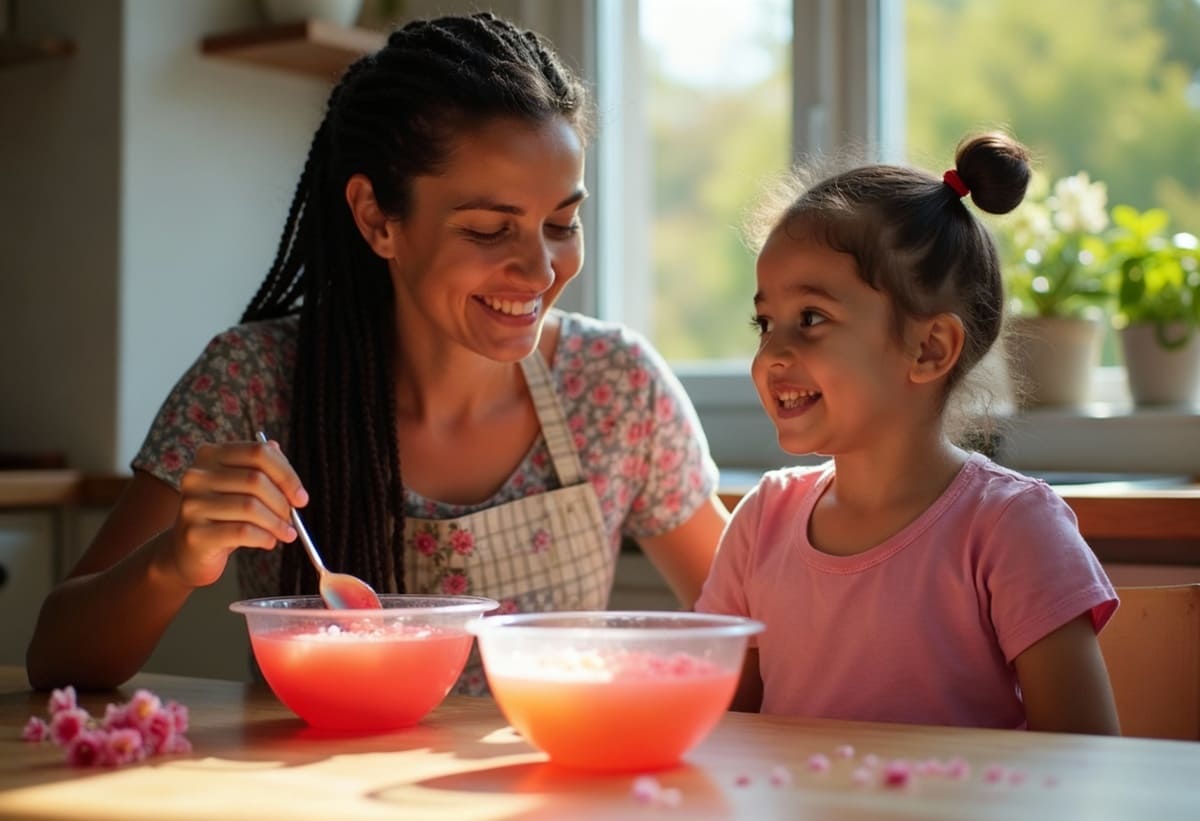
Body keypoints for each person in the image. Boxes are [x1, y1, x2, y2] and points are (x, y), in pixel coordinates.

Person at [26, 12, 729, 693]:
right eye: (489, 229)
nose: (541, 269)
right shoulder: (250, 383)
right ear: (377, 219)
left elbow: (754, 630)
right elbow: (56, 657)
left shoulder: (616, 386)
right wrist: (173, 560)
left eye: (561, 222)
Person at [694, 133, 1121, 734]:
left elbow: (1087, 760)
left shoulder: (1012, 527)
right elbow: (723, 734)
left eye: (811, 318)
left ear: (929, 348)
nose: (772, 353)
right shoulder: (762, 521)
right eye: (766, 322)